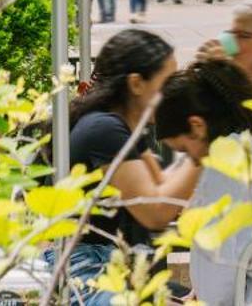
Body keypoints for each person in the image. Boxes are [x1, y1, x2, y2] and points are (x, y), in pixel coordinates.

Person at [63, 30, 202, 303]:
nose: (172, 95)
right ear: (137, 83)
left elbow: (162, 185)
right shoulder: (104, 128)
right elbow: (156, 211)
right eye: (166, 84)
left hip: (108, 263)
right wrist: (204, 143)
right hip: (86, 269)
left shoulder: (119, 126)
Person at [155, 59, 252, 305]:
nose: (192, 160)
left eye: (185, 149)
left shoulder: (221, 168)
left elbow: (217, 291)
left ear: (197, 126)